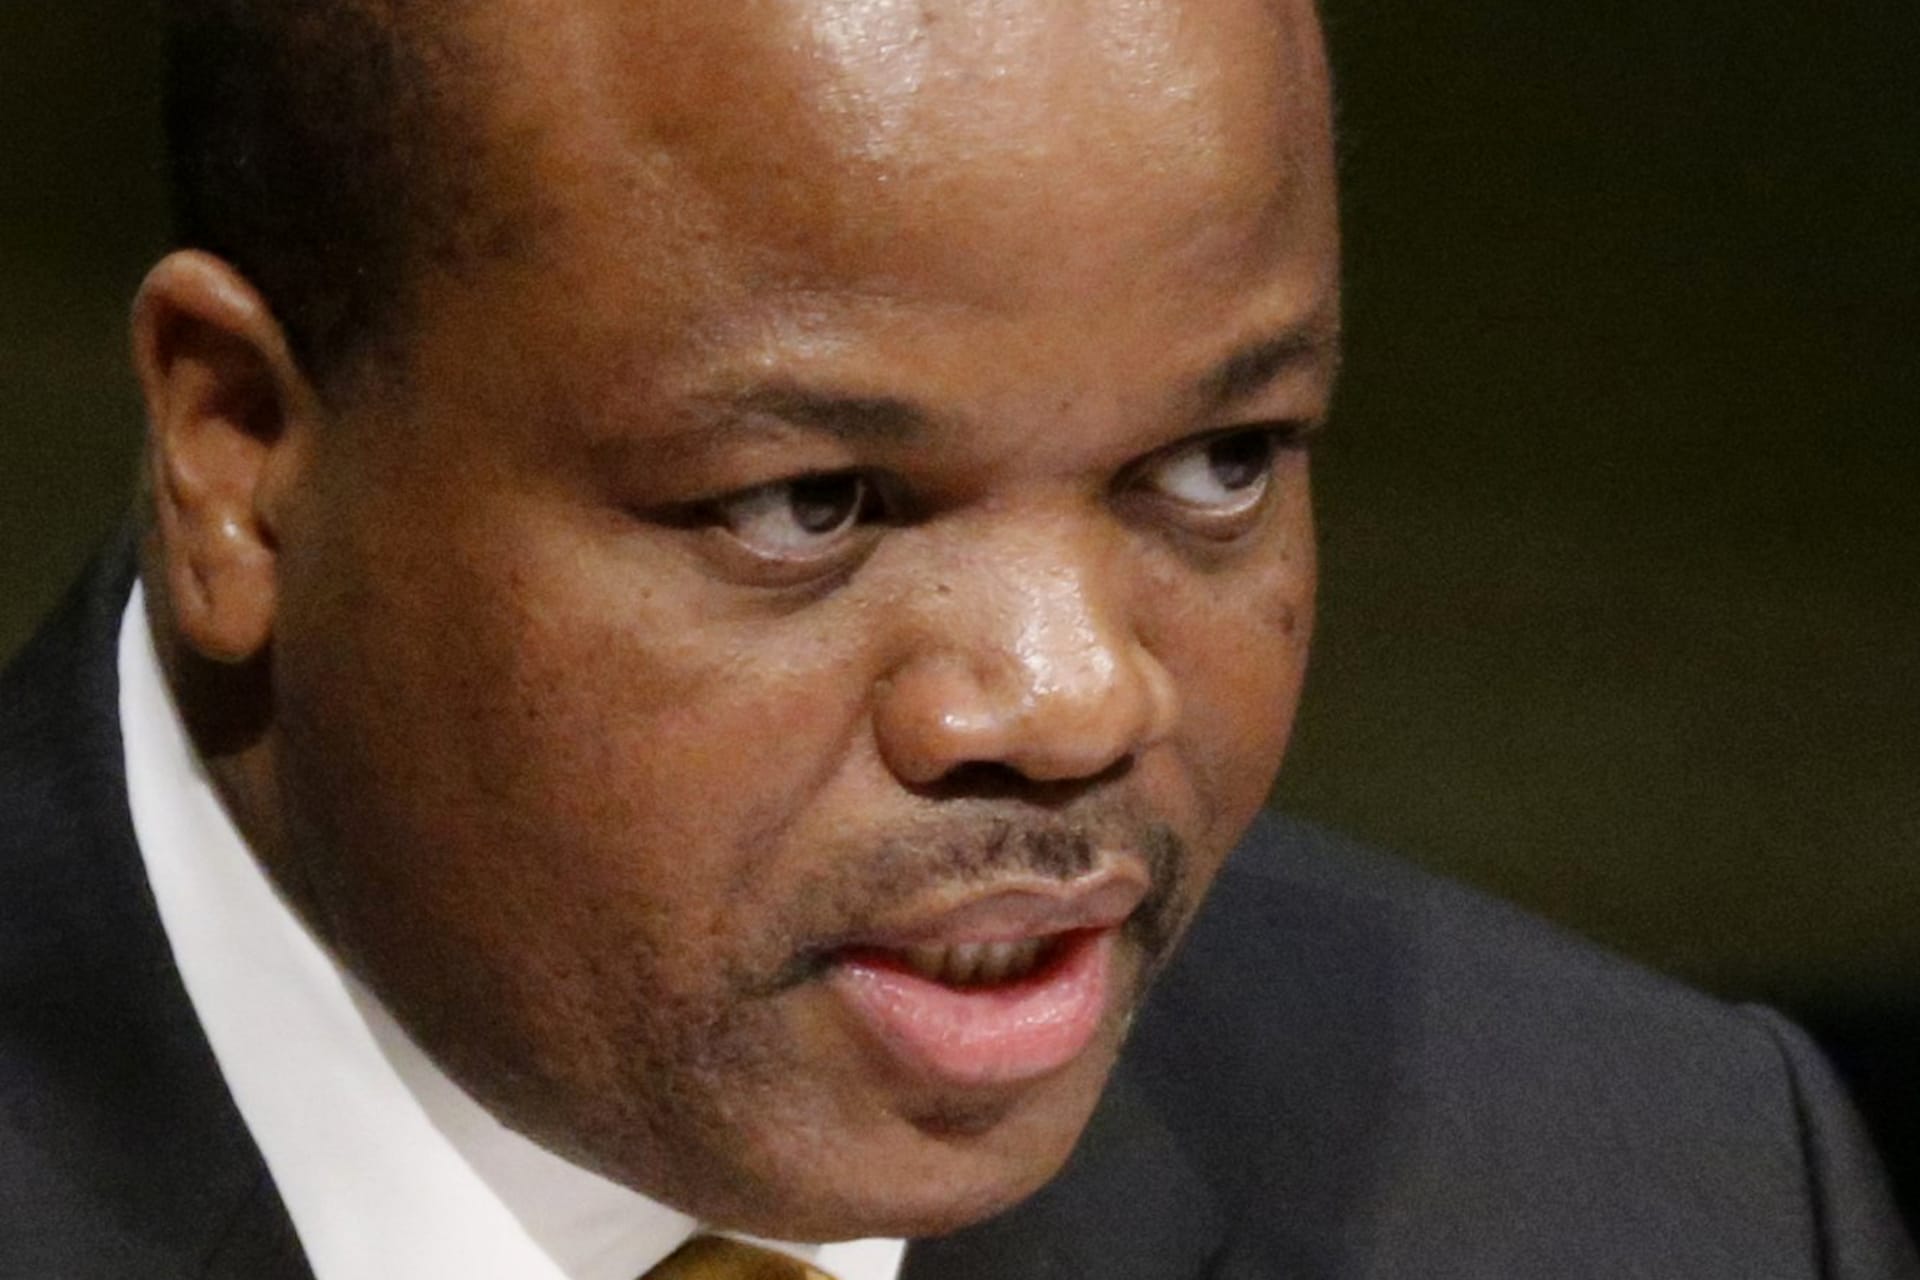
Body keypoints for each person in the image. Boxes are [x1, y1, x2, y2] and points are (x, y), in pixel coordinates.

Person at [0, 0, 1911, 1276]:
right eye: (804, 506)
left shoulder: (1669, 1192)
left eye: (1222, 463)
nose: (1077, 697)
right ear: (238, 455)